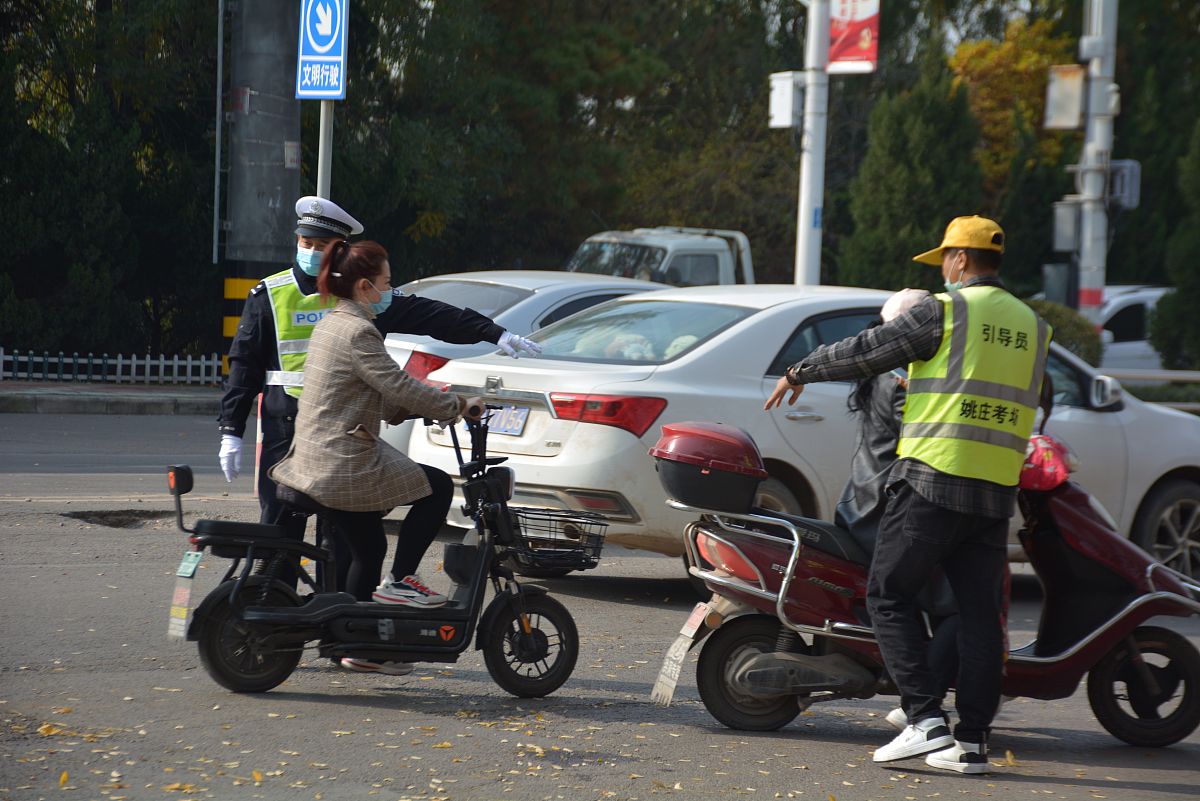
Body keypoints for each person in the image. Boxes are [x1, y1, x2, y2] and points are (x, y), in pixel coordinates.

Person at [766, 216, 1050, 774]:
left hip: (933, 479)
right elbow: (1042, 396)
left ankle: (923, 721)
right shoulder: (1035, 326)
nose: (944, 269)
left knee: (889, 595)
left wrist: (803, 368)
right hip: (995, 491)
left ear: (962, 261)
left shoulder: (946, 311)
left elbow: (870, 349)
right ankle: (972, 743)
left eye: (945, 260)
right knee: (978, 617)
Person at [217, 196, 540, 582]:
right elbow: (244, 366)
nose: (311, 252)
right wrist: (230, 430)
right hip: (288, 427)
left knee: (341, 546)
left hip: (343, 429)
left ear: (339, 251)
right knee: (282, 538)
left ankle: (331, 620)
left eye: (321, 246)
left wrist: (492, 332)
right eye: (306, 243)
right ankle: (288, 618)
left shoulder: (359, 293)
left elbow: (430, 314)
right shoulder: (274, 294)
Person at [269, 240, 482, 676]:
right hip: (339, 459)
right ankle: (401, 586)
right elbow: (398, 386)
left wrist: (425, 406)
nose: (391, 290)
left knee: (367, 547)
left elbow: (373, 392)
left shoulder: (332, 324)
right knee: (436, 487)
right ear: (366, 287)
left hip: (319, 453)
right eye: (387, 282)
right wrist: (456, 406)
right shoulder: (359, 331)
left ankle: (353, 642)